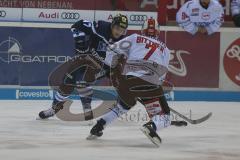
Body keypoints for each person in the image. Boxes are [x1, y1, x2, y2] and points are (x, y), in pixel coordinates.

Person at [87, 18, 186, 146]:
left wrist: (110, 69)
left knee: (123, 106)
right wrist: (154, 105)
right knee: (165, 117)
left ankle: (99, 126)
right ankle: (152, 126)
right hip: (150, 83)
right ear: (157, 32)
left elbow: (111, 51)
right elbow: (161, 76)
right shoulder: (165, 49)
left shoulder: (134, 37)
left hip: (128, 81)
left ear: (143, 30)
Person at [38, 14, 128, 120]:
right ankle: (54, 109)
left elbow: (123, 59)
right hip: (83, 59)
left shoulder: (125, 42)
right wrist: (80, 41)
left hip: (103, 65)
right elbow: (77, 25)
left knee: (91, 80)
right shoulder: (101, 27)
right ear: (112, 25)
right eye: (117, 28)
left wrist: (115, 70)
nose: (119, 32)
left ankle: (108, 110)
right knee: (67, 84)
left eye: (122, 30)